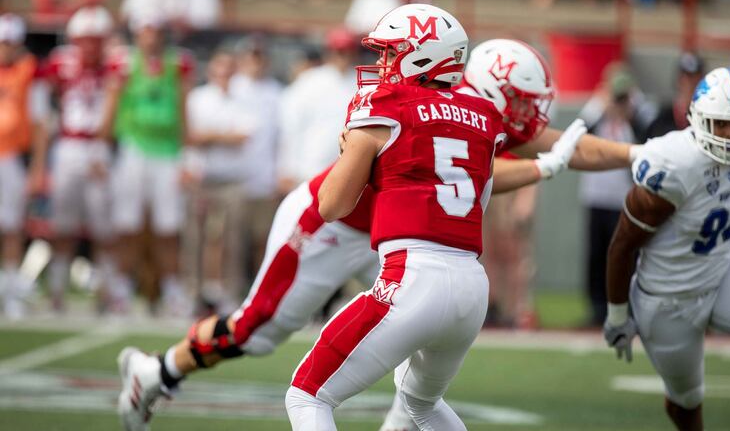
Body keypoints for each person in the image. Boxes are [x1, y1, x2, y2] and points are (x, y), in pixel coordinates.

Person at [113, 36, 595, 431]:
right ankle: (157, 371)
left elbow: (482, 170)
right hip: (333, 228)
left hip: (398, 245)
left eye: (389, 54)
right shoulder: (444, 112)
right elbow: (339, 202)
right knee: (256, 331)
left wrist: (637, 157)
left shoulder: (446, 110)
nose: (379, 65)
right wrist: (567, 164)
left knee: (389, 368)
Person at [283, 4, 586, 430]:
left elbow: (332, 205)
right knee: (420, 405)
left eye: (392, 53)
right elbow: (479, 194)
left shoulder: (384, 105)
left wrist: (352, 150)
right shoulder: (483, 115)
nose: (382, 64)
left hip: (412, 276)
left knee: (307, 395)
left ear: (423, 56)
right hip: (471, 287)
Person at [604, 67, 730, 431]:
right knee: (687, 401)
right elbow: (622, 245)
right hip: (669, 301)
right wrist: (616, 316)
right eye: (722, 124)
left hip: (725, 273)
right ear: (700, 119)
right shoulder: (674, 165)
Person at [100, 11, 193, 314]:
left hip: (166, 153)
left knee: (168, 227)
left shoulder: (175, 65)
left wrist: (188, 154)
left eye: (155, 31)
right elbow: (111, 108)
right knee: (127, 225)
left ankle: (171, 290)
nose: (150, 37)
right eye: (145, 31)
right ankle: (122, 288)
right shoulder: (125, 65)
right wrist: (102, 150)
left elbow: (183, 109)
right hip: (133, 150)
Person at [34, 5, 119, 313]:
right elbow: (41, 102)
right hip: (68, 146)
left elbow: (113, 106)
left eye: (97, 39)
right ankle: (57, 290)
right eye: (86, 39)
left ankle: (106, 292)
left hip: (100, 149)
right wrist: (42, 157)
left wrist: (101, 148)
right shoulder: (61, 63)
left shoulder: (115, 64)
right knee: (62, 226)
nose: (91, 45)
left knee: (104, 228)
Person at [181, 48, 256, 314]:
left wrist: (209, 136)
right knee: (195, 238)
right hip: (203, 177)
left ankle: (230, 293)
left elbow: (242, 137)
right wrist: (222, 136)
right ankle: (193, 292)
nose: (224, 75)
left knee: (233, 239)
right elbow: (191, 137)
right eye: (219, 70)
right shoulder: (197, 99)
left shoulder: (243, 100)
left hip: (232, 179)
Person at [578, 63, 654, 326]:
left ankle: (624, 307)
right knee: (596, 255)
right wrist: (603, 107)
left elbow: (644, 143)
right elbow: (579, 136)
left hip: (623, 198)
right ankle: (596, 308)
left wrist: (627, 114)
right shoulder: (596, 109)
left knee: (623, 254)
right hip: (595, 196)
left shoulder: (639, 113)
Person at [277, 27, 359, 194]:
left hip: (350, 170)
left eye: (346, 51)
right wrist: (286, 167)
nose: (342, 56)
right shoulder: (309, 81)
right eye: (338, 51)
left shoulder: (363, 81)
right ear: (328, 52)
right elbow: (291, 126)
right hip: (311, 166)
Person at [0, 13, 44, 318]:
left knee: (12, 227)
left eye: (10, 43)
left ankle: (11, 289)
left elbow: (41, 122)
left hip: (14, 156)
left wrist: (38, 167)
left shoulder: (30, 72)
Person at [229, 36, 283, 271]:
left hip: (264, 176)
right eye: (251, 56)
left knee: (263, 238)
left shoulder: (276, 92)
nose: (255, 62)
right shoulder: (231, 87)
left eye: (259, 57)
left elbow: (282, 137)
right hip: (233, 176)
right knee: (231, 240)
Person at [644, 52, 705, 140]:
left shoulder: (706, 120)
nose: (692, 85)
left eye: (697, 79)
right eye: (688, 79)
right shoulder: (663, 120)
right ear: (679, 81)